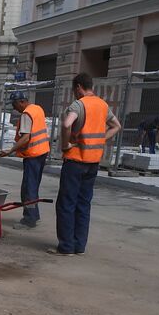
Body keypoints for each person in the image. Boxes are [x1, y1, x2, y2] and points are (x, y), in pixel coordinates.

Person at [54, 72, 121, 256]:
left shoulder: (79, 104)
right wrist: (99, 141)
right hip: (93, 162)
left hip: (75, 161)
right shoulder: (102, 105)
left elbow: (67, 124)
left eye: (74, 90)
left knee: (67, 204)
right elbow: (116, 126)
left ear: (78, 87)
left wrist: (65, 145)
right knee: (84, 204)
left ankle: (66, 247)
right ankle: (79, 246)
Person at [0, 90, 49, 228]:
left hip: (33, 155)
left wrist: (10, 150)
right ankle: (34, 215)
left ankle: (29, 219)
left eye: (14, 104)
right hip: (42, 152)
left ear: (21, 102)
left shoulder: (26, 114)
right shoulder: (37, 108)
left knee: (28, 188)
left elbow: (26, 138)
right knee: (33, 186)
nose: (14, 108)